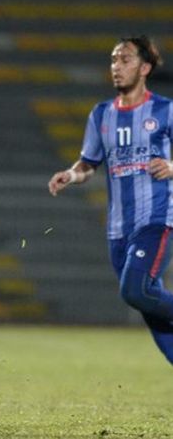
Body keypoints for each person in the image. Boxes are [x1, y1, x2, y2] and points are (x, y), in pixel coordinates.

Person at [48, 35, 173, 364]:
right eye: (113, 60)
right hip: (118, 229)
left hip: (157, 220)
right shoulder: (101, 114)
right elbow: (88, 163)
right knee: (150, 308)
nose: (116, 67)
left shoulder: (165, 110)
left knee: (136, 290)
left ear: (145, 67)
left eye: (125, 60)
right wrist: (72, 175)